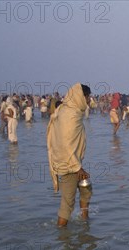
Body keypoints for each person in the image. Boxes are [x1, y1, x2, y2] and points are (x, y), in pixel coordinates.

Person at [46, 83, 92, 227]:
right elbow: (66, 144)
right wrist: (78, 168)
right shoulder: (69, 115)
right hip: (68, 164)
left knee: (86, 189)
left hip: (74, 161)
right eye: (87, 96)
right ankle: (62, 235)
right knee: (68, 202)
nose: (89, 100)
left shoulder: (69, 111)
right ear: (80, 96)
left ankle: (85, 221)